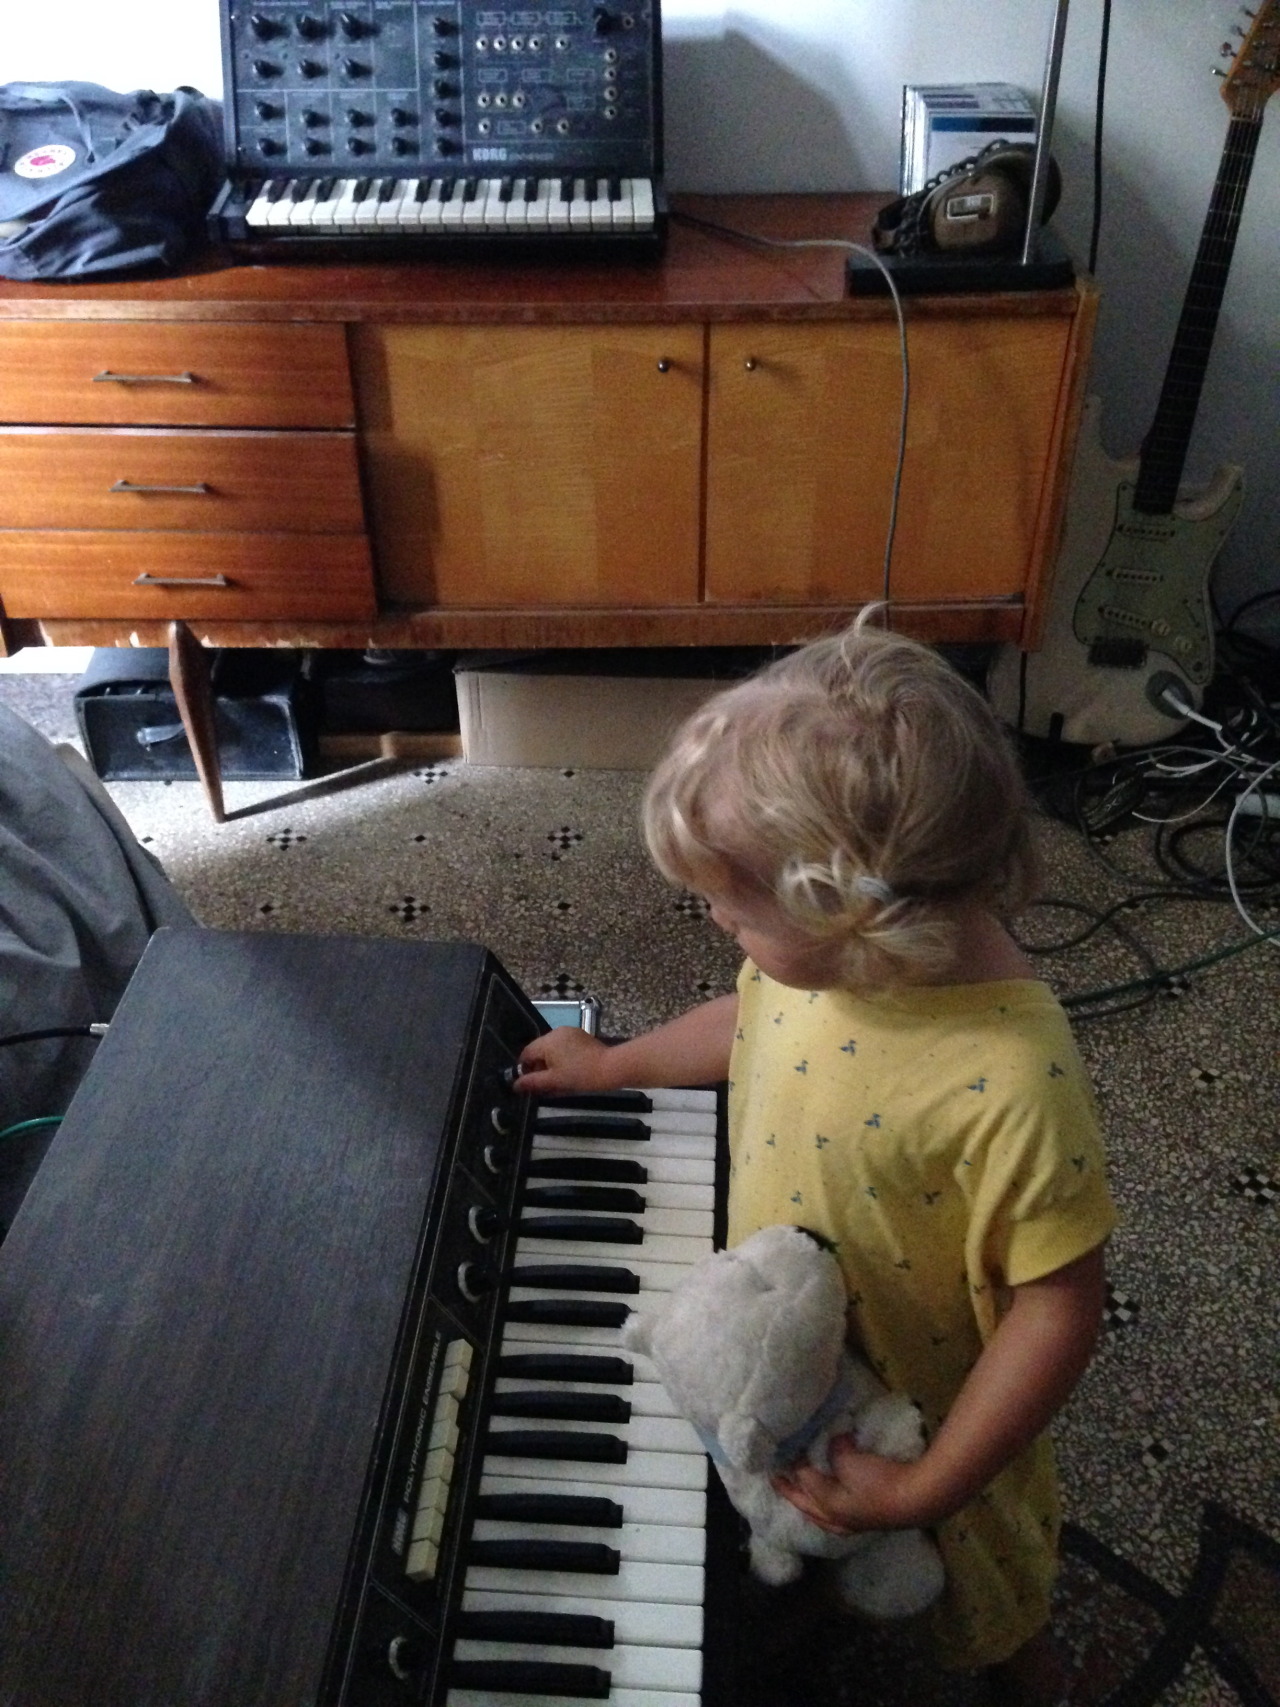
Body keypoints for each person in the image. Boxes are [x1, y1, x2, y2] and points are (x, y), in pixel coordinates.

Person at [515, 614, 1116, 1705]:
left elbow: (1059, 1309)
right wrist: (616, 1064)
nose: (714, 922)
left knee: (983, 1593)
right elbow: (748, 1017)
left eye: (734, 911)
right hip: (811, 1349)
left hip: (931, 1406)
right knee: (823, 1536)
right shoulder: (821, 969)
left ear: (851, 917)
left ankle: (1027, 1674)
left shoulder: (1014, 1083)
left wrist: (929, 1485)